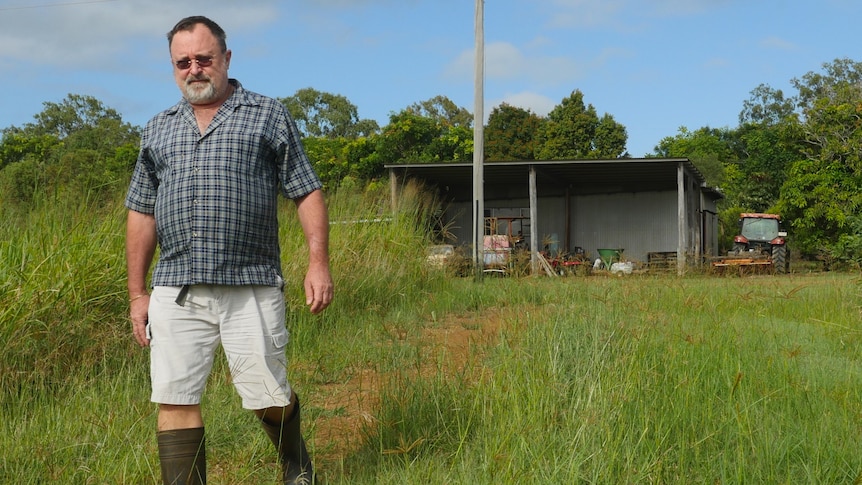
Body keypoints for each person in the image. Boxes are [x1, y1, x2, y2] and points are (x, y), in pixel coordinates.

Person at [125, 15, 333, 485]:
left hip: (252, 282)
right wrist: (137, 294)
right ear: (173, 66)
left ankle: (295, 458)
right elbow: (141, 212)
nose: (194, 69)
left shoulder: (267, 114)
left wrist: (317, 264)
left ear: (226, 59)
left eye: (204, 58)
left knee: (267, 396)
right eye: (183, 62)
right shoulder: (157, 129)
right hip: (175, 287)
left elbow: (306, 191)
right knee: (175, 396)